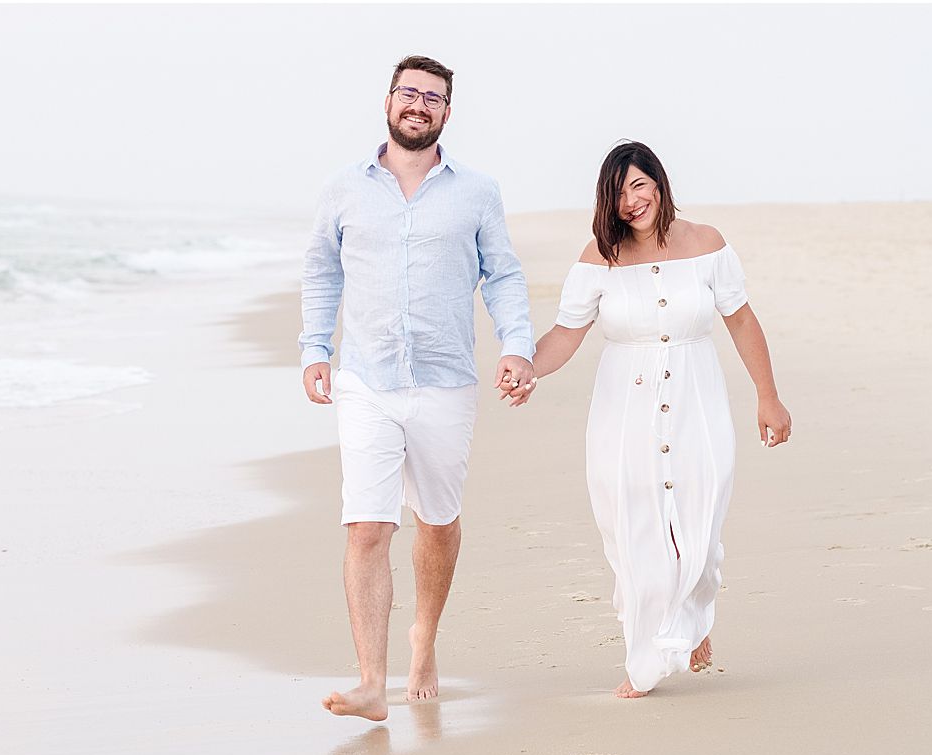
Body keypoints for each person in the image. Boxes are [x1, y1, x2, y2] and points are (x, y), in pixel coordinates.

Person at [501, 141, 791, 697]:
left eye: (639, 186)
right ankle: (647, 659)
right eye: (619, 194)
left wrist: (767, 396)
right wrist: (527, 368)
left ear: (658, 183)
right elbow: (567, 333)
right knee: (634, 527)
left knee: (700, 526)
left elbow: (741, 320)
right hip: (624, 405)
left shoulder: (706, 245)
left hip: (696, 396)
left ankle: (691, 617)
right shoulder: (597, 258)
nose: (632, 203)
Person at [298, 55, 536, 720]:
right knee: (368, 525)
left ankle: (423, 639)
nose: (418, 105)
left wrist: (517, 345)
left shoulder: (477, 191)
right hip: (366, 381)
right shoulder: (344, 189)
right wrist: (316, 348)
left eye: (432, 98)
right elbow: (321, 270)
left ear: (446, 113)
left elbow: (505, 276)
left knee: (436, 521)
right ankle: (372, 681)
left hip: (446, 382)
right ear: (388, 100)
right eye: (409, 93)